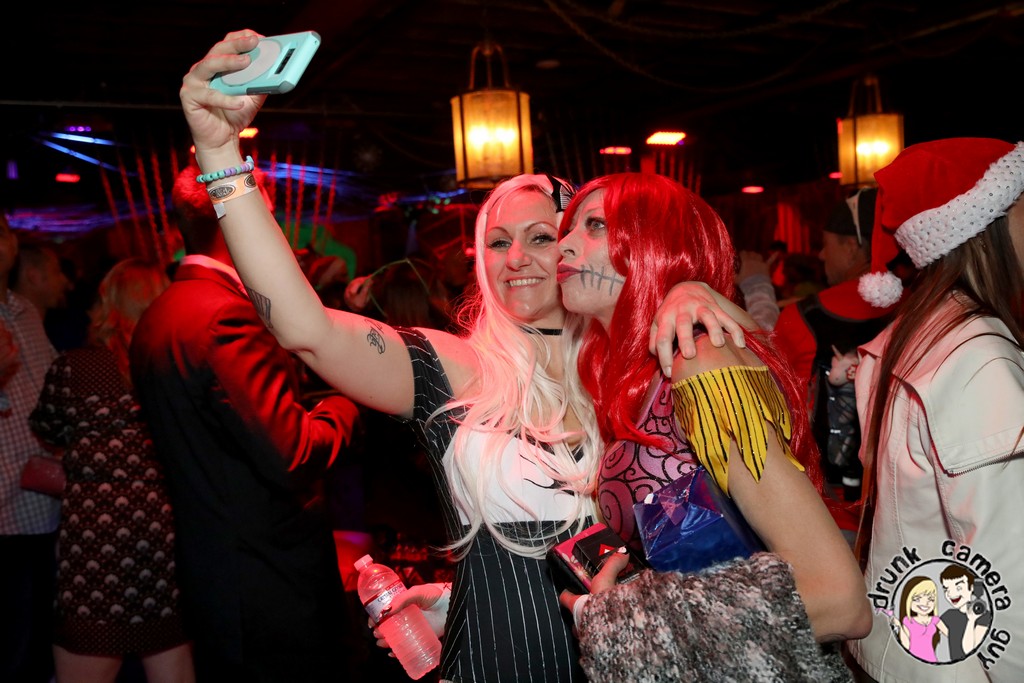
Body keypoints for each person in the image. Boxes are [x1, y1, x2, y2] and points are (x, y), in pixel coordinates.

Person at [177, 29, 749, 682]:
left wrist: (690, 290)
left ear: (578, 248)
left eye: (541, 236)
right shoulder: (454, 366)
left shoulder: (630, 375)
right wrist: (220, 156)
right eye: (497, 242)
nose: (516, 258)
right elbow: (306, 329)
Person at [555, 172, 871, 681]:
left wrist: (627, 622)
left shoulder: (701, 361)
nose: (565, 244)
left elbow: (838, 596)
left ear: (658, 246)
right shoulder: (636, 379)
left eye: (595, 225)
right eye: (569, 228)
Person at [128, 162, 363, 682]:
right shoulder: (224, 315)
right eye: (268, 218)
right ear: (236, 220)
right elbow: (294, 454)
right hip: (268, 584)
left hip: (213, 571)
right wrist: (350, 400)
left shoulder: (160, 312)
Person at [847, 137, 1024, 682]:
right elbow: (1011, 581)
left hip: (901, 651)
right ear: (987, 229)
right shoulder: (979, 358)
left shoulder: (911, 332)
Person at [28, 258, 195, 683]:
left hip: (95, 545)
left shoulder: (75, 367)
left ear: (107, 304)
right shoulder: (175, 364)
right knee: (172, 664)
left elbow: (46, 425)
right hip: (162, 533)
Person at [774, 188, 895, 507]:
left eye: (826, 244)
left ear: (852, 247)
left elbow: (780, 413)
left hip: (827, 504)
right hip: (901, 495)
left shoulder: (803, 316)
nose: (821, 255)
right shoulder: (920, 306)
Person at [0, 216, 60, 683]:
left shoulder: (24, 310)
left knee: (39, 645)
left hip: (44, 507)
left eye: (2, 233)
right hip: (4, 515)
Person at [938, 565, 990, 663]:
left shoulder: (984, 616)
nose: (951, 594)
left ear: (971, 587)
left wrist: (971, 620)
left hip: (973, 667)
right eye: (946, 589)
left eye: (958, 588)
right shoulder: (949, 615)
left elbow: (968, 651)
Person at [889, 577, 946, 662]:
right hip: (912, 661)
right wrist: (899, 626)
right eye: (917, 599)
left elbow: (952, 635)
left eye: (931, 599)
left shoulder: (935, 620)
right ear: (908, 600)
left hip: (932, 660)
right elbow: (906, 645)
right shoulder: (908, 621)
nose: (925, 603)